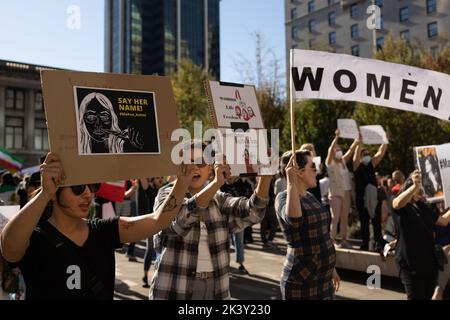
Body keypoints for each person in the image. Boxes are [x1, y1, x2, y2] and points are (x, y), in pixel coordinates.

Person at [0, 152, 198, 300]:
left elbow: (158, 221)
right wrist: (45, 193)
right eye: (78, 188)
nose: (88, 194)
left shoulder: (103, 230)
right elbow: (8, 248)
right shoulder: (35, 237)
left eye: (93, 186)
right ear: (55, 192)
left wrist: (182, 182)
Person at [149, 141, 272, 300]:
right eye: (188, 162)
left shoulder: (219, 200)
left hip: (216, 290)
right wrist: (215, 184)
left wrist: (266, 176)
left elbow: (253, 212)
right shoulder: (166, 195)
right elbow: (176, 224)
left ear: (210, 168)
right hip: (175, 289)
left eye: (200, 162)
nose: (194, 167)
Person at [275, 151, 340, 300]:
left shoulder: (310, 196)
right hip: (302, 280)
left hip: (323, 278)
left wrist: (331, 268)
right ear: (299, 172)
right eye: (313, 167)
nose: (317, 171)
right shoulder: (282, 197)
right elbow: (294, 220)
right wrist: (291, 183)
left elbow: (321, 234)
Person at [392, 170, 450, 300]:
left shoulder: (422, 206)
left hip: (429, 264)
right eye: (420, 186)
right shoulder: (403, 206)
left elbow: (444, 221)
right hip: (410, 265)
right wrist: (414, 186)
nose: (423, 189)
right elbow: (396, 203)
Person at [78, 92, 143, 154]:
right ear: (82, 120)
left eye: (104, 117)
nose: (98, 124)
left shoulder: (122, 145)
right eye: (91, 117)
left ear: (112, 119)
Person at [353, 139, 388, 250]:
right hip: (362, 198)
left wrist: (385, 140)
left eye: (368, 154)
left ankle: (379, 242)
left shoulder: (371, 164)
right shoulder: (357, 166)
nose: (367, 155)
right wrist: (359, 143)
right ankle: (365, 243)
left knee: (376, 220)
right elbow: (355, 158)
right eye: (364, 154)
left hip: (373, 197)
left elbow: (380, 153)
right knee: (364, 221)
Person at [325, 129, 358, 248]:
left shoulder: (342, 162)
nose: (339, 151)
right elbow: (330, 151)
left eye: (339, 149)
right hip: (335, 192)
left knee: (344, 218)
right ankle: (331, 241)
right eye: (336, 149)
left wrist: (357, 140)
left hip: (346, 192)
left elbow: (350, 151)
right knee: (335, 217)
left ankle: (344, 240)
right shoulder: (330, 163)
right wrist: (336, 138)